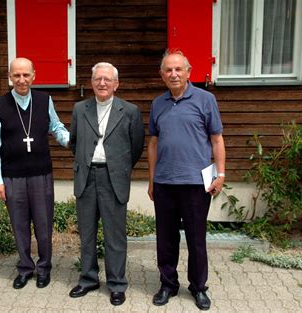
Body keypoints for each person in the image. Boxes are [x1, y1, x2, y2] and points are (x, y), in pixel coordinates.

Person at [147, 49, 226, 310]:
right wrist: (151, 180)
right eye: (168, 70)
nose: (173, 74)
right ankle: (168, 284)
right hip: (165, 183)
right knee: (165, 239)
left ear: (188, 72)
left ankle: (198, 287)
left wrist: (221, 174)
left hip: (196, 184)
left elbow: (217, 139)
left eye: (178, 69)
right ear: (161, 75)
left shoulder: (205, 100)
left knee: (196, 239)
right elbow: (153, 143)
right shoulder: (158, 104)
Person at [0, 57, 69, 289]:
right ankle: (25, 268)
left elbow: (56, 126)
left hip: (41, 174)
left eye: (26, 75)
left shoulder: (44, 100)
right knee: (19, 225)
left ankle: (44, 268)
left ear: (34, 76)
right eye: (16, 75)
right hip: (12, 176)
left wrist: (71, 141)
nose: (22, 80)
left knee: (43, 224)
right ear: (10, 77)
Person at [69, 62, 145, 306]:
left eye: (107, 79)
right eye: (97, 79)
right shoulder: (80, 109)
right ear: (91, 83)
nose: (102, 83)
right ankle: (88, 279)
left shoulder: (130, 111)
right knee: (87, 233)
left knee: (115, 235)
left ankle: (117, 284)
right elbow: (74, 141)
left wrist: (118, 168)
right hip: (86, 177)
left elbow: (136, 147)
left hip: (113, 179)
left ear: (116, 84)